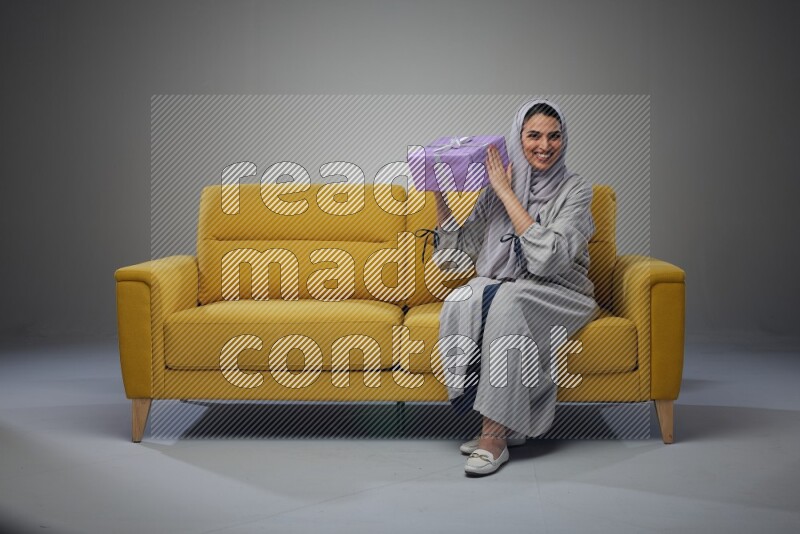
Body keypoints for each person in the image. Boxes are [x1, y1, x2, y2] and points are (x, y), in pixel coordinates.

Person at [430, 99, 599, 476]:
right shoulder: (497, 186)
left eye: (554, 136)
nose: (545, 146)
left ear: (564, 140)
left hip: (562, 291)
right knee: (465, 296)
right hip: (513, 286)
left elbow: (549, 259)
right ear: (518, 137)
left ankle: (493, 436)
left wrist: (507, 193)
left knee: (507, 299)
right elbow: (460, 252)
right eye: (533, 136)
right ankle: (507, 421)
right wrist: (437, 192)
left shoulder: (576, 190)